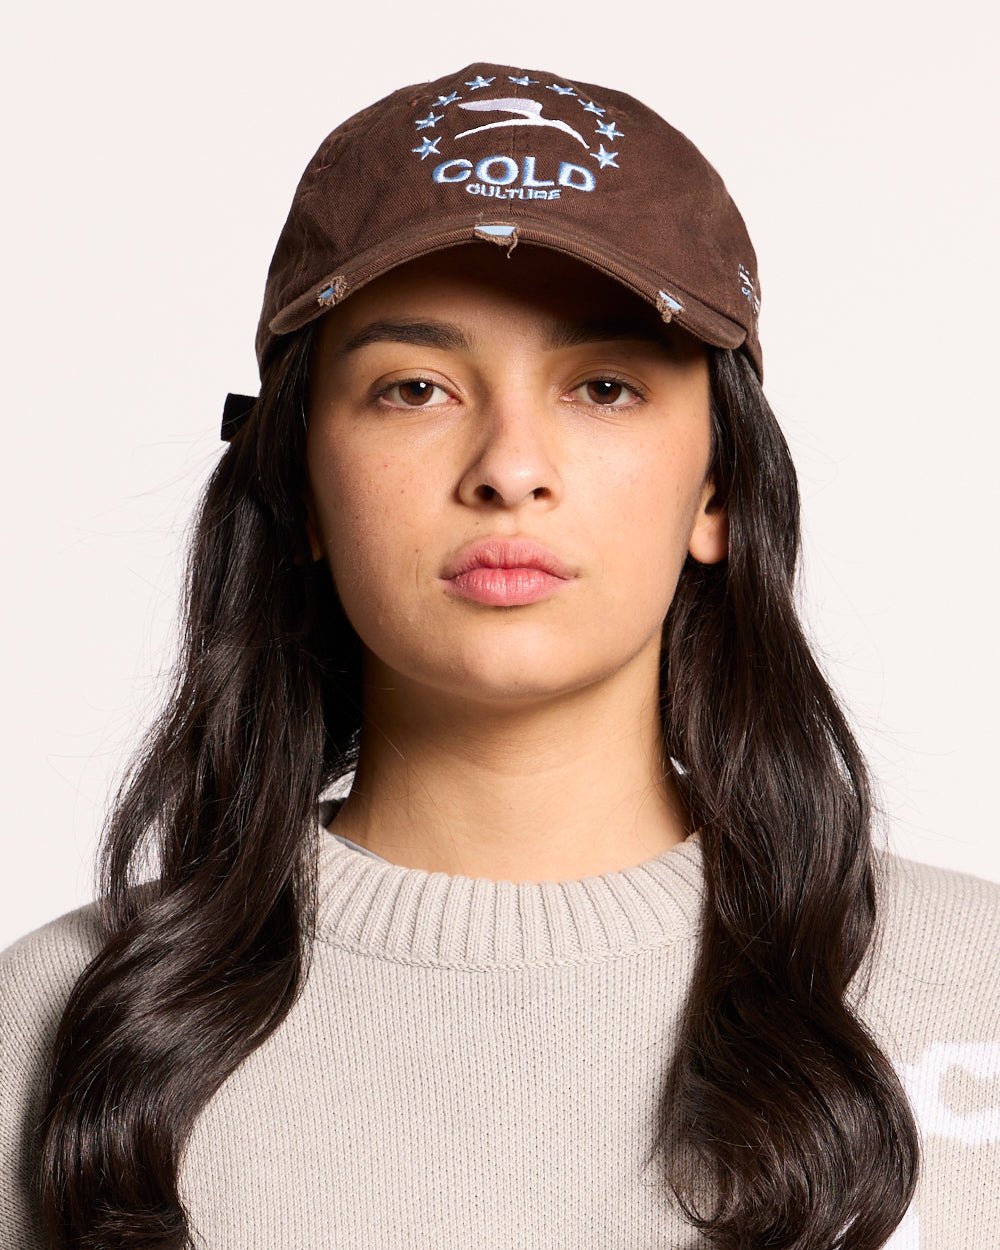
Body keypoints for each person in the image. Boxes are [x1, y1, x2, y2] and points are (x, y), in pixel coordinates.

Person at [2, 60, 998, 1250]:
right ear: (302, 482)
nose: (509, 466)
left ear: (719, 485)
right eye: (414, 387)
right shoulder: (51, 1030)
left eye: (605, 387)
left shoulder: (976, 985)